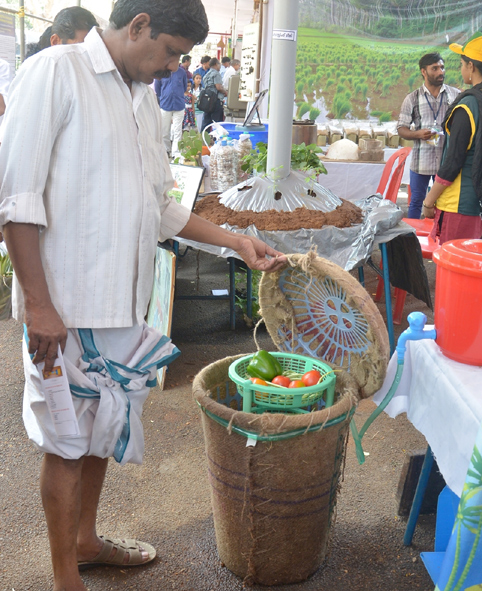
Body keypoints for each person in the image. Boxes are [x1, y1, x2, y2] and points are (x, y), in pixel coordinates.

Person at [0, 2, 286, 590]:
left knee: (102, 430)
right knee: (64, 441)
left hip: (122, 304)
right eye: (172, 52)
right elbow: (16, 199)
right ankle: (64, 578)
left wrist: (236, 241)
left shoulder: (140, 101)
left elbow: (158, 209)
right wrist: (39, 305)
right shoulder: (56, 72)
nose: (174, 66)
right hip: (65, 307)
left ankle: (85, 541)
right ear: (138, 26)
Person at [422, 34, 482, 244]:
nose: (461, 68)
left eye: (462, 63)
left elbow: (453, 162)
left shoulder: (468, 107)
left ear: (471, 66)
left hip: (460, 203)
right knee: (479, 266)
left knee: (455, 268)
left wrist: (429, 201)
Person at [397, 53, 460, 219]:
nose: (441, 72)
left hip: (447, 162)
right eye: (435, 68)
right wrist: (418, 134)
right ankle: (412, 240)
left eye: (442, 67)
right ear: (423, 71)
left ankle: (439, 239)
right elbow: (401, 128)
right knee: (416, 201)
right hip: (421, 162)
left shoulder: (455, 95)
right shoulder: (412, 98)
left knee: (445, 202)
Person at [154, 62, 187, 157]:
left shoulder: (182, 72)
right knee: (164, 130)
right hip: (165, 105)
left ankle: (175, 152)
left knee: (177, 130)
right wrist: (165, 96)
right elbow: (157, 89)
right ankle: (166, 150)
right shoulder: (162, 72)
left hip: (179, 105)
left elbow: (184, 87)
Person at [201, 57, 227, 131]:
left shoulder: (206, 75)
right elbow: (218, 87)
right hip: (216, 101)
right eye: (219, 64)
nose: (220, 67)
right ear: (216, 64)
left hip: (207, 102)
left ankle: (203, 139)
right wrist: (225, 92)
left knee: (206, 122)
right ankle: (217, 139)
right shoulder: (216, 74)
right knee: (217, 123)